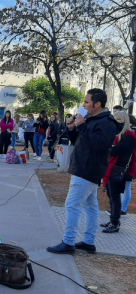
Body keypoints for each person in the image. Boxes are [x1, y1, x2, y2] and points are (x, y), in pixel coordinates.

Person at [47, 88, 117, 255]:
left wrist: (82, 125)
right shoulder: (91, 119)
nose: (83, 105)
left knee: (72, 205)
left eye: (86, 102)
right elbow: (78, 141)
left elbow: (98, 144)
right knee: (91, 206)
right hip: (84, 167)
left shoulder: (107, 122)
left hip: (88, 169)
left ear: (97, 104)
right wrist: (72, 128)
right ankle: (89, 241)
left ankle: (68, 241)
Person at [100, 111, 136, 233]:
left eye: (118, 120)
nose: (116, 122)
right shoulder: (121, 135)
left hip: (118, 170)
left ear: (124, 121)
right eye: (114, 119)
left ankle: (115, 223)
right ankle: (113, 220)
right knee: (111, 196)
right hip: (113, 169)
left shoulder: (128, 136)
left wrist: (108, 147)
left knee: (115, 198)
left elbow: (115, 151)